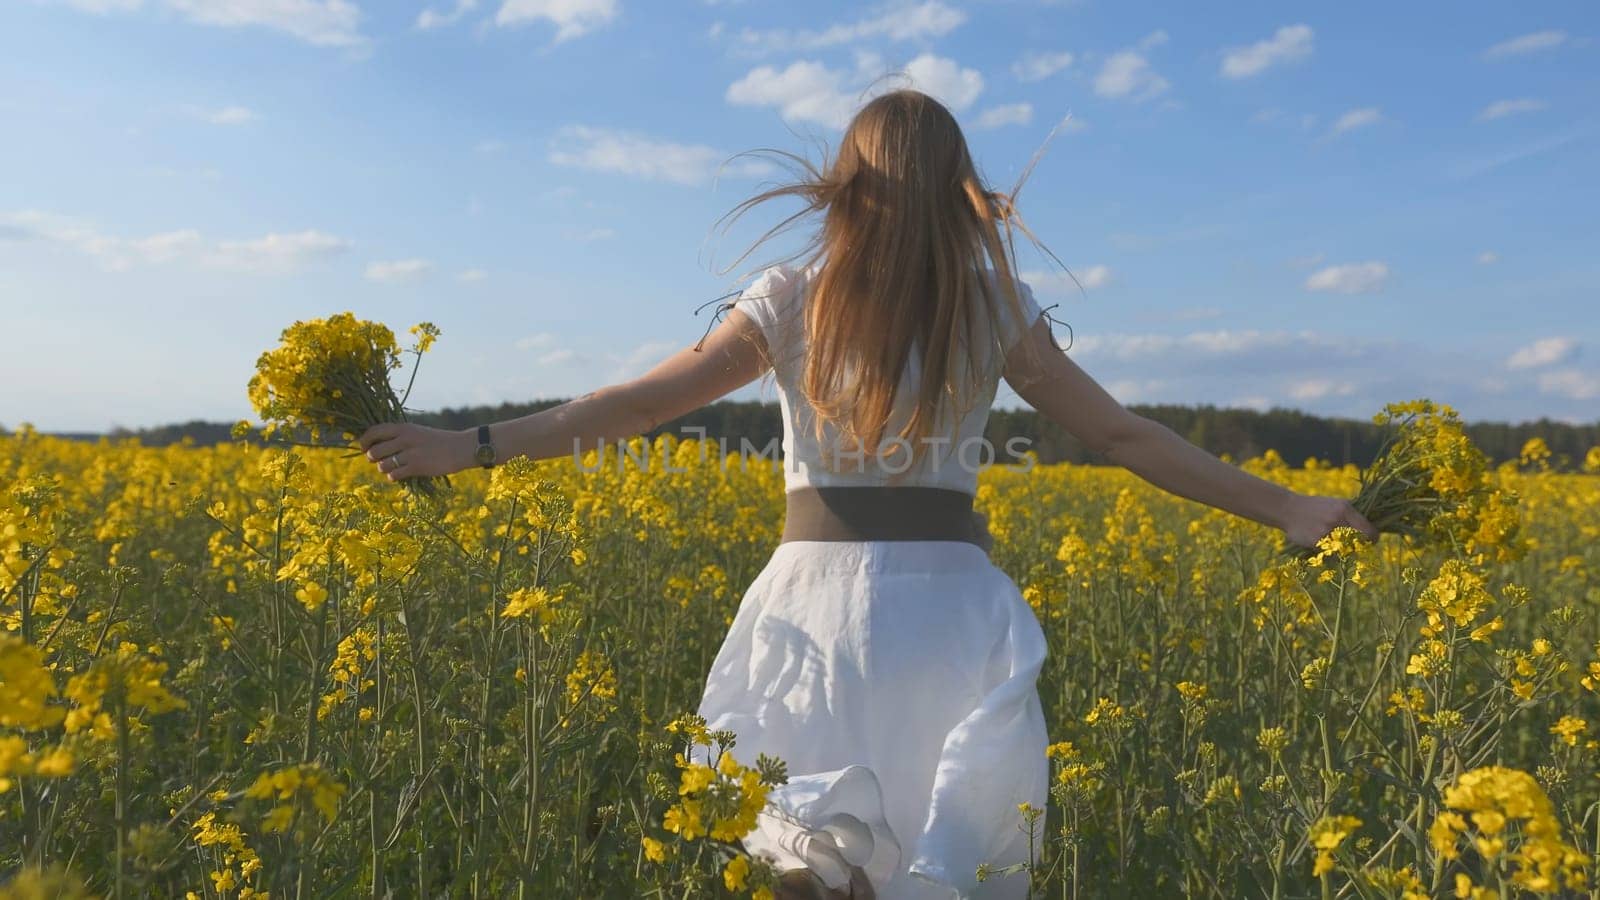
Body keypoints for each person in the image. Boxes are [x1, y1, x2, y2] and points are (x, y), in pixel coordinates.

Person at [357, 89, 1378, 899]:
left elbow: (635, 404)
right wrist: (1288, 508)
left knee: (806, 847)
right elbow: (1121, 434)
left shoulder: (791, 296)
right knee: (942, 857)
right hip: (948, 611)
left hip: (813, 607)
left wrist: (472, 443)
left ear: (845, 184)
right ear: (958, 189)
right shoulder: (997, 307)